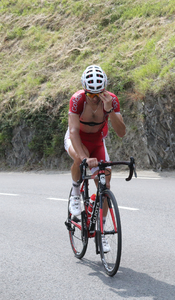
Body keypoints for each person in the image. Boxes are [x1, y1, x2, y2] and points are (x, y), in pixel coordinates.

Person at [64, 65, 126, 252]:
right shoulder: (77, 100)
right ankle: (76, 195)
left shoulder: (111, 100)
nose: (94, 99)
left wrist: (109, 111)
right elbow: (74, 131)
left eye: (98, 95)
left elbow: (121, 132)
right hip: (77, 139)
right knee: (78, 160)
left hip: (97, 141)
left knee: (105, 185)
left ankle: (102, 232)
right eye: (90, 95)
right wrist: (84, 157)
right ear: (85, 91)